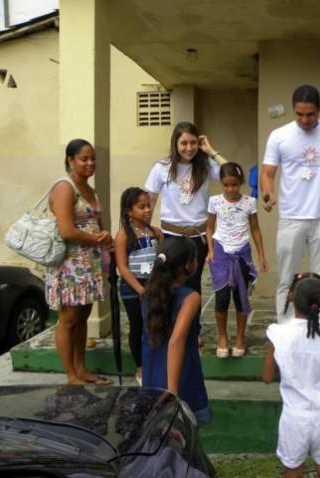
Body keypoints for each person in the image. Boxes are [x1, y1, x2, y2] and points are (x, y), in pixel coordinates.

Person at [260, 84, 320, 322]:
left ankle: (319, 329)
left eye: (310, 114)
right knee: (287, 278)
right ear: (293, 110)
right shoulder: (279, 136)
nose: (304, 119)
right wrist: (268, 194)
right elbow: (267, 173)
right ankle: (284, 329)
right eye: (299, 114)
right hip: (290, 217)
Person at [263, 273, 320, 478]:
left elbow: (267, 377)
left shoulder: (277, 334)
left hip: (294, 417)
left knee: (293, 469)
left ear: (291, 297)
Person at [46, 139, 114, 385]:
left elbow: (97, 221)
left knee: (83, 317)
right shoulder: (65, 187)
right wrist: (97, 238)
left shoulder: (89, 189)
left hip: (89, 264)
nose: (90, 163)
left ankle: (81, 368)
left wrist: (105, 236)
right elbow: (66, 230)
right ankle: (70, 374)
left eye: (93, 158)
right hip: (70, 265)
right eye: (84, 159)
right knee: (69, 319)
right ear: (70, 160)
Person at [144, 122, 227, 295]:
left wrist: (211, 151)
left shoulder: (205, 165)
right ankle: (171, 321)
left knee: (192, 285)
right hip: (170, 237)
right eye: (184, 143)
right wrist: (146, 235)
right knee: (168, 284)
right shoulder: (161, 167)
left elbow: (232, 173)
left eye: (193, 142)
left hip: (198, 238)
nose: (189, 148)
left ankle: (193, 323)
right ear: (175, 143)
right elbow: (148, 203)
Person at [142, 236, 210, 425]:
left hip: (153, 372)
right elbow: (176, 340)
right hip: (180, 375)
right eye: (196, 259)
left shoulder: (149, 293)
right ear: (188, 265)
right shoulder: (190, 297)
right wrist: (172, 391)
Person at [206, 162, 268, 359]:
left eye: (234, 184)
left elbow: (255, 229)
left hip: (242, 253)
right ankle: (222, 337)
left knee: (241, 297)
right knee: (222, 297)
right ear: (221, 184)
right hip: (221, 253)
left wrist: (261, 255)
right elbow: (209, 227)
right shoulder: (215, 201)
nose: (230, 189)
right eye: (226, 185)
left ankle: (240, 337)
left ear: (240, 183)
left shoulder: (249, 202)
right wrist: (210, 250)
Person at [114, 187, 163, 385]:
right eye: (141, 207)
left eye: (148, 206)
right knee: (137, 326)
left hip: (152, 285)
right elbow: (123, 268)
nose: (147, 210)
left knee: (153, 325)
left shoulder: (155, 233)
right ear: (128, 210)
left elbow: (161, 261)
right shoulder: (123, 235)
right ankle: (140, 366)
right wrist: (140, 289)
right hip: (132, 287)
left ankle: (155, 360)